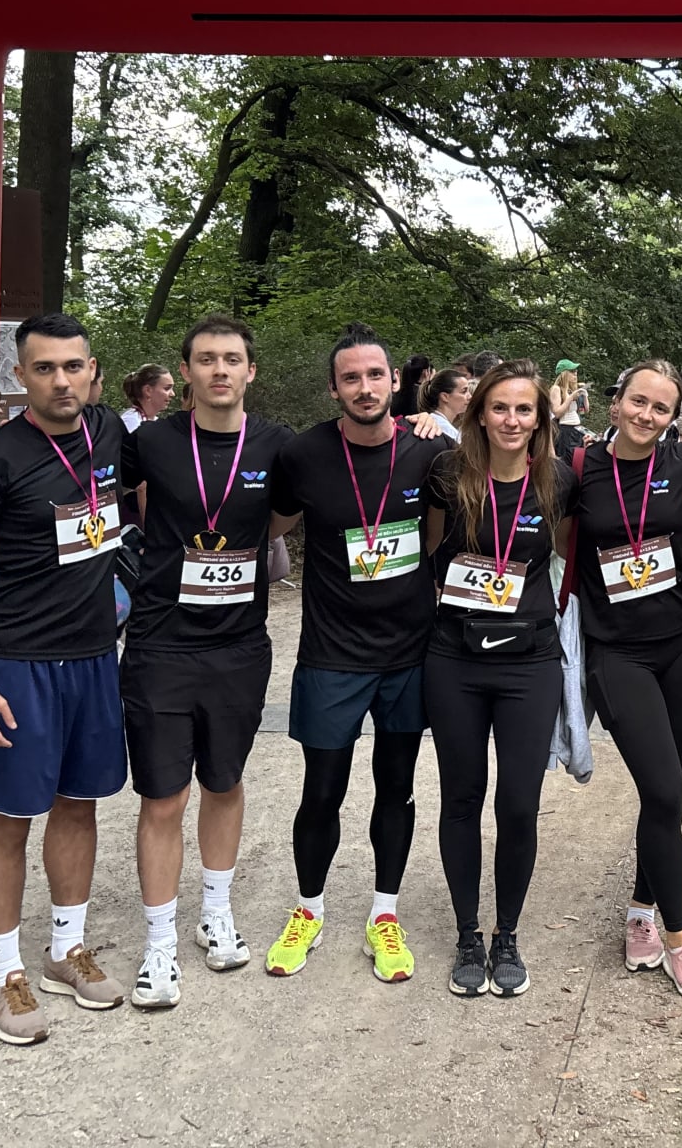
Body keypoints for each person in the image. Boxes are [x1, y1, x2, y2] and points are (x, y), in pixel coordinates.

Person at [0, 312, 131, 1045]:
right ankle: (5, 973)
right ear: (19, 375)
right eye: (45, 368)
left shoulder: (110, 433)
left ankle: (65, 950)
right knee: (7, 818)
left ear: (93, 372)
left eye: (73, 366)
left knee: (79, 805)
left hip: (93, 658)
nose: (61, 380)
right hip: (17, 664)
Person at [264, 323, 452, 985]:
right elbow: (269, 525)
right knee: (322, 790)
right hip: (331, 654)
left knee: (396, 788)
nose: (365, 388)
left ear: (396, 381)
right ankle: (309, 910)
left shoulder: (429, 450)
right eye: (351, 378)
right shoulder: (303, 454)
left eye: (376, 375)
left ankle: (384, 914)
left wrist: (441, 425)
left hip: (408, 652)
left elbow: (445, 529)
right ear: (333, 388)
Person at [114, 315, 292, 1007]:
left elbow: (317, 489)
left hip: (239, 646)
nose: (221, 370)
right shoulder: (150, 441)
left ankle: (215, 912)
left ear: (251, 371)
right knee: (163, 797)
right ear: (185, 372)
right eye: (207, 359)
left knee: (224, 782)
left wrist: (422, 421)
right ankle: (159, 943)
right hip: (161, 643)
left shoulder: (276, 444)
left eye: (232, 359)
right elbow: (74, 461)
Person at [570, 360, 682, 1001]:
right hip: (617, 653)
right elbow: (497, 451)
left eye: (661, 408)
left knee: (668, 789)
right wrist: (424, 420)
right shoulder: (575, 468)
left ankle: (641, 907)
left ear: (673, 417)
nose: (647, 415)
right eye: (638, 401)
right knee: (663, 791)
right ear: (616, 403)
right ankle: (681, 938)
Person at [423, 364, 577, 998]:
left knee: (518, 802)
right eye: (500, 408)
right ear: (479, 414)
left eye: (524, 410)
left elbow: (566, 550)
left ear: (540, 419)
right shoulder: (446, 473)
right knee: (461, 797)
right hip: (455, 658)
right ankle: (468, 934)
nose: (512, 420)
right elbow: (429, 551)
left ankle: (506, 934)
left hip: (528, 661)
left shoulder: (558, 480)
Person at [120, 364, 175, 433]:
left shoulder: (156, 421)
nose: (173, 394)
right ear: (148, 391)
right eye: (167, 388)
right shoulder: (131, 421)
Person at [420, 368, 474, 434]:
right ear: (445, 397)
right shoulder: (445, 430)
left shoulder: (436, 422)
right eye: (464, 391)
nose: (470, 397)